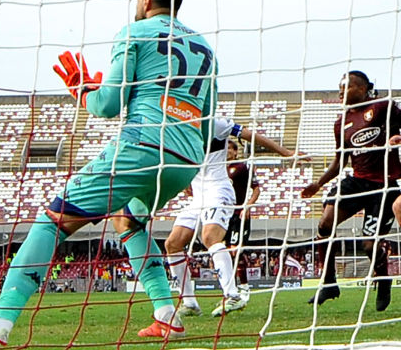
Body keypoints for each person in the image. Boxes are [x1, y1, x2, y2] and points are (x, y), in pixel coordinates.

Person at [0, 0, 216, 347]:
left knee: (52, 221)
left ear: (146, 1)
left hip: (143, 145)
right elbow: (206, 119)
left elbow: (108, 104)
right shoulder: (205, 48)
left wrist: (82, 92)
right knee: (128, 220)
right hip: (185, 159)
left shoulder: (133, 32)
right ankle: (167, 315)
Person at [165, 120, 301, 317]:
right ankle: (189, 302)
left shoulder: (215, 123)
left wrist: (285, 152)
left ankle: (233, 295)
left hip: (218, 191)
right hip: (198, 196)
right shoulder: (178, 129)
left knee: (210, 237)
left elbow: (251, 135)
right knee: (172, 244)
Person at [300, 71, 401, 312]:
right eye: (339, 86)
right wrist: (318, 183)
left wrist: (397, 137)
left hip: (384, 185)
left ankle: (382, 279)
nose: (341, 91)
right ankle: (329, 283)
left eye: (347, 86)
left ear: (364, 89)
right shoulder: (341, 123)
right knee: (325, 224)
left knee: (369, 246)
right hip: (356, 181)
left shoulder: (383, 107)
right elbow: (339, 162)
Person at [224, 138, 259, 289]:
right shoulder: (217, 168)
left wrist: (247, 207)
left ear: (235, 151)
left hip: (238, 213)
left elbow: (256, 189)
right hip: (224, 214)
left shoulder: (242, 168)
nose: (227, 152)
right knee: (223, 250)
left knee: (235, 250)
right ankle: (230, 287)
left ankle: (244, 286)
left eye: (229, 149)